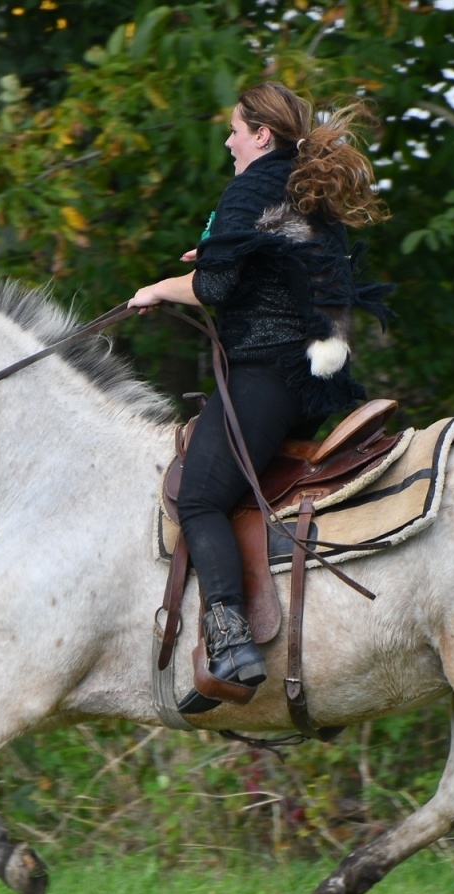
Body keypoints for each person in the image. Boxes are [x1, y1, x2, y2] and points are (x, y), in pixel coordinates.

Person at [128, 82, 390, 715]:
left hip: (266, 373)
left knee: (199, 496)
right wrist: (218, 257)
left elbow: (217, 284)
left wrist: (162, 288)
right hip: (311, 382)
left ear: (261, 136)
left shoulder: (252, 185)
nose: (228, 141)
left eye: (235, 130)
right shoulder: (303, 186)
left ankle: (230, 639)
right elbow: (273, 264)